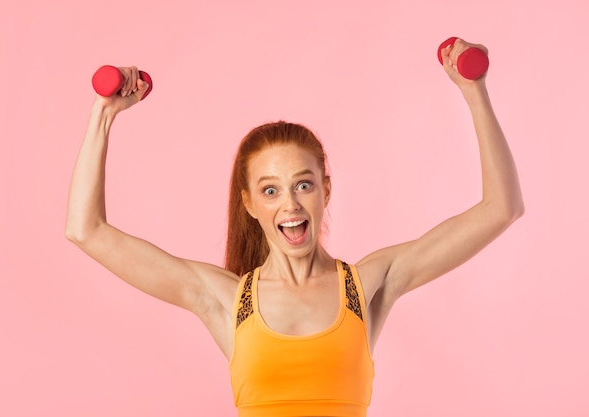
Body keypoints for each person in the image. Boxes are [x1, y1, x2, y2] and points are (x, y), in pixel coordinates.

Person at [66, 38, 524, 417]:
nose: (290, 204)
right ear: (248, 203)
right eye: (270, 191)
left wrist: (474, 90)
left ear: (325, 189)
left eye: (303, 184)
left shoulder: (366, 285)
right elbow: (86, 230)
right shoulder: (225, 299)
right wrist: (103, 113)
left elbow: (500, 208)